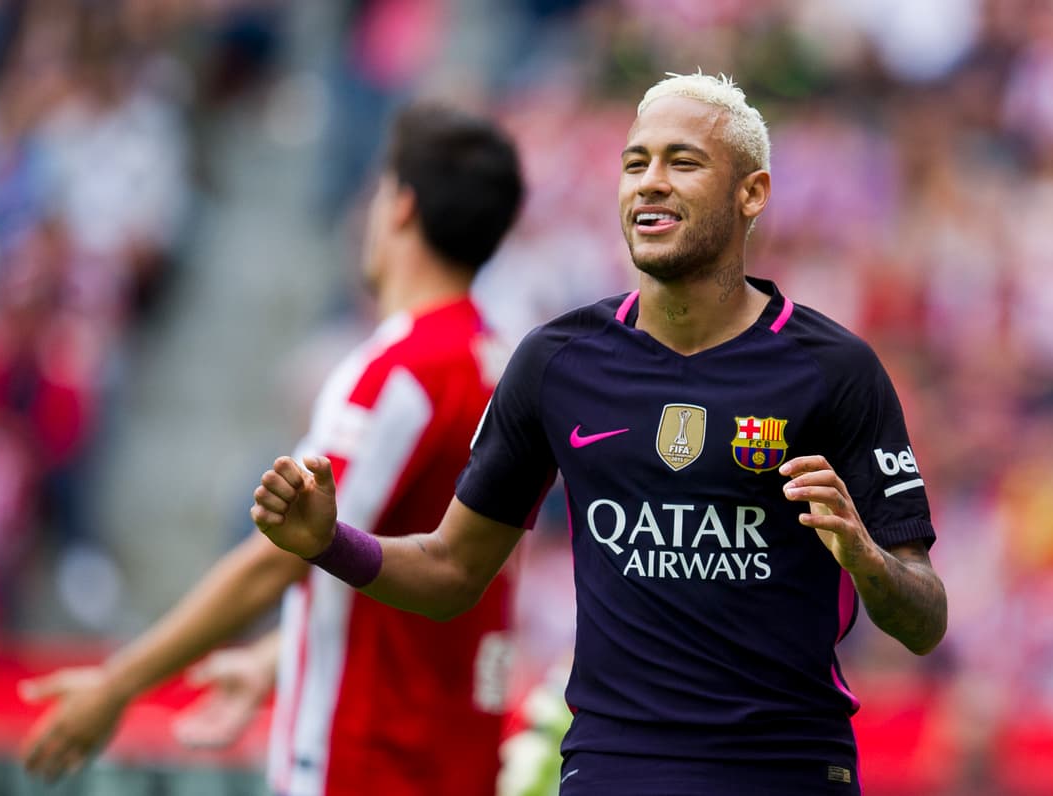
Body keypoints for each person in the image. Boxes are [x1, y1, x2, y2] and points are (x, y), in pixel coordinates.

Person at [253, 73, 948, 795]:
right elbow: (451, 571)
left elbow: (926, 619)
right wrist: (329, 544)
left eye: (683, 162)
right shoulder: (558, 363)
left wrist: (865, 558)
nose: (649, 182)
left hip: (787, 769)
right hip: (613, 769)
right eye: (634, 163)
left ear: (752, 193)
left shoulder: (835, 372)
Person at [17, 102, 526, 796]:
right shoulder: (497, 364)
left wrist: (117, 684)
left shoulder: (401, 371)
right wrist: (278, 656)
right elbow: (419, 570)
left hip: (369, 761)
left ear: (401, 206)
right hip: (453, 755)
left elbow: (281, 556)